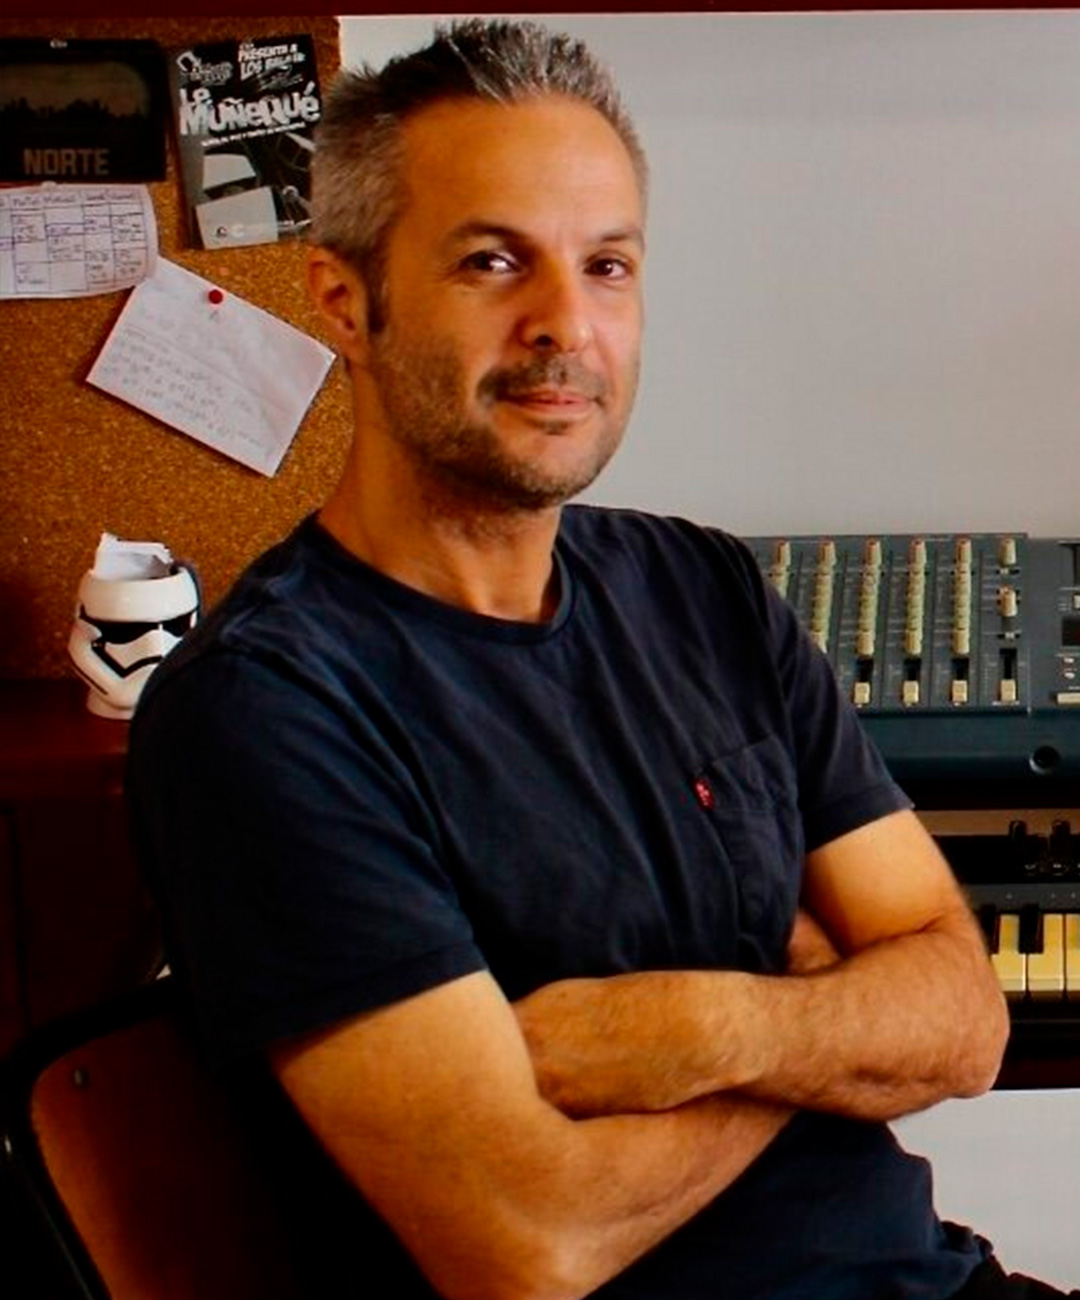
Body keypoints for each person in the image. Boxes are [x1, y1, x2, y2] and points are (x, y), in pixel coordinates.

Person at [127, 19, 1075, 1300]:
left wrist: (707, 1028)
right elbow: (532, 1245)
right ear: (344, 300)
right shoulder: (266, 711)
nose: (565, 324)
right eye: (492, 260)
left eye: (608, 265)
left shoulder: (705, 587)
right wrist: (816, 1003)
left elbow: (965, 1019)